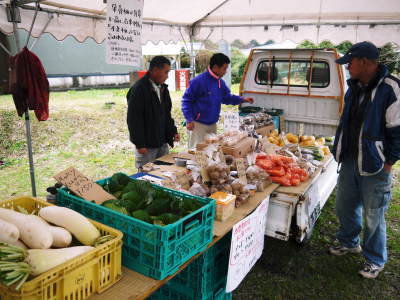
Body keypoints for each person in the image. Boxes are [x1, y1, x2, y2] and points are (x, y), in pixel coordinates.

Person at [330, 41, 400, 279]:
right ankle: (349, 241)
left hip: (375, 163)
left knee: (373, 214)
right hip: (350, 158)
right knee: (344, 205)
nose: (347, 67)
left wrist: (389, 162)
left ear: (365, 62)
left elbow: (398, 130)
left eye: (350, 62)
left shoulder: (391, 88)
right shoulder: (354, 87)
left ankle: (374, 259)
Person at [181, 53, 254, 148]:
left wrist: (243, 99)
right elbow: (186, 101)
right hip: (198, 124)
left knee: (212, 151)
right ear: (215, 67)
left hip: (213, 123)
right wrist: (189, 119)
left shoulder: (220, 82)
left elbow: (227, 97)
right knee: (197, 151)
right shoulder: (198, 81)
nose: (226, 71)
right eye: (224, 68)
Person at [127, 56, 180, 170]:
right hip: (147, 145)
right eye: (166, 72)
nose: (167, 76)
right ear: (155, 70)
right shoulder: (139, 89)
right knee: (146, 175)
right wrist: (140, 144)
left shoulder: (163, 89)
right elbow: (134, 119)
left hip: (162, 141)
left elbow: (166, 114)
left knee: (163, 172)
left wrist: (172, 131)